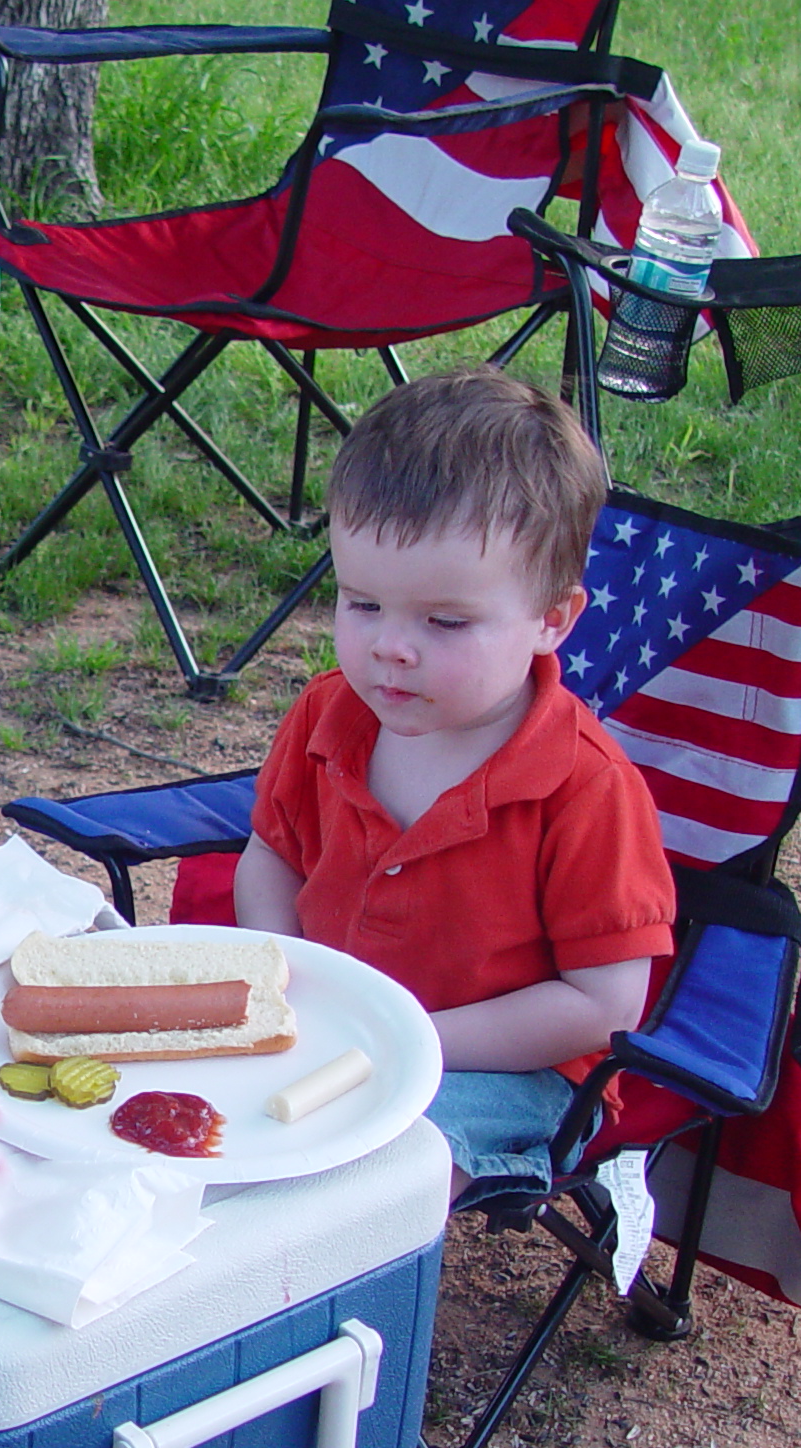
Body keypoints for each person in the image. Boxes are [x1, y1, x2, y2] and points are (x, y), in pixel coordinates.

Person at [233, 365, 675, 1200]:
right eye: (362, 605)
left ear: (553, 619)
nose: (391, 648)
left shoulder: (585, 788)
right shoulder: (332, 717)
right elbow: (271, 860)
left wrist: (407, 1040)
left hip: (505, 1068)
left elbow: (605, 1005)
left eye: (443, 621)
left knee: (354, 1182)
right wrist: (283, 982)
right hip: (327, 1030)